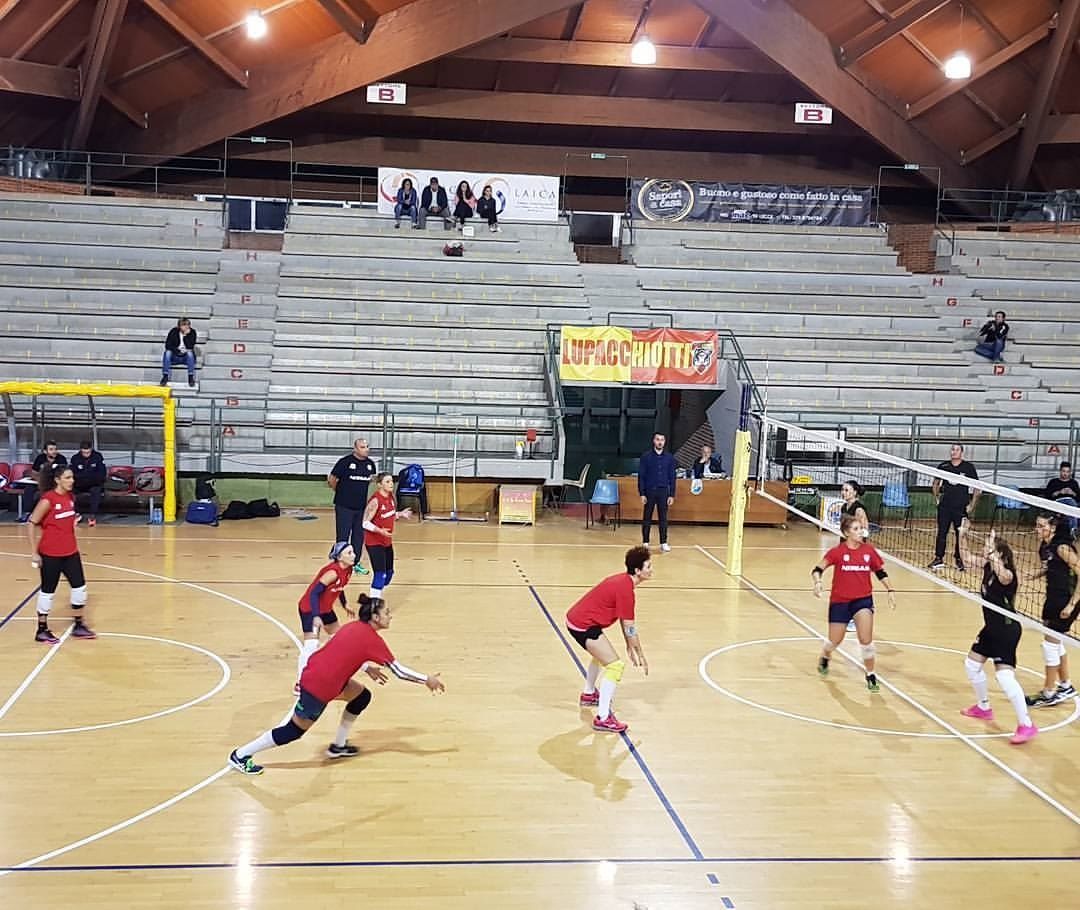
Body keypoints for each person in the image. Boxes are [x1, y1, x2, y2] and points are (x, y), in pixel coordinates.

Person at [228, 593, 445, 774]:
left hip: (323, 676)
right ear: (375, 617)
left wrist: (366, 667)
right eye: (386, 613)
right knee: (293, 731)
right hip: (319, 686)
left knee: (362, 697)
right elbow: (398, 671)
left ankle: (338, 746)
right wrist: (427, 679)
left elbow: (342, 650)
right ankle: (241, 755)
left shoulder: (353, 627)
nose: (390, 616)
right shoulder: (373, 640)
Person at [956, 521, 1036, 744]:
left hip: (1006, 630)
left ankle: (1026, 724)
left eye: (988, 547)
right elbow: (966, 558)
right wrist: (962, 535)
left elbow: (1004, 576)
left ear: (998, 553)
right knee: (971, 665)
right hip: (991, 628)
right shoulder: (988, 566)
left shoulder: (1008, 575)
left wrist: (992, 551)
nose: (984, 549)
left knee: (1004, 677)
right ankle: (983, 708)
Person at [565, 546, 651, 734]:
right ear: (638, 571)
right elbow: (630, 627)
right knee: (615, 666)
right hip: (582, 625)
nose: (651, 570)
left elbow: (624, 620)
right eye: (648, 567)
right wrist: (639, 653)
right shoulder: (625, 590)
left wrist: (629, 645)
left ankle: (589, 694)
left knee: (601, 656)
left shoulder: (623, 582)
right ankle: (603, 718)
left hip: (579, 620)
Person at [812, 514, 896, 692]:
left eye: (861, 528)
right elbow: (817, 569)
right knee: (835, 640)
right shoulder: (837, 552)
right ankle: (826, 654)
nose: (860, 532)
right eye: (856, 529)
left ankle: (870, 674)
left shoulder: (869, 551)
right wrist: (818, 582)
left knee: (866, 640)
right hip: (840, 602)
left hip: (862, 600)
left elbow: (880, 572)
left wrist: (890, 590)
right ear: (846, 533)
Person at [26, 464, 96, 644]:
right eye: (67, 478)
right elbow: (32, 523)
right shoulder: (47, 500)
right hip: (50, 553)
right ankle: (42, 629)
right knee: (48, 591)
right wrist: (34, 553)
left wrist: (72, 525)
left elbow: (64, 519)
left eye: (72, 477)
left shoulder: (71, 497)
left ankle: (79, 624)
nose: (72, 481)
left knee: (79, 588)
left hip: (70, 551)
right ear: (57, 480)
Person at [1025, 514, 1080, 708]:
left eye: (1042, 526)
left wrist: (1072, 604)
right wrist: (1036, 574)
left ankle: (1048, 693)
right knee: (1056, 642)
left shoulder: (1062, 547)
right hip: (1054, 597)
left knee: (1049, 645)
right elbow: (1051, 566)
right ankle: (1065, 686)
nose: (1037, 529)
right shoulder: (1045, 547)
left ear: (1053, 528)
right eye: (1036, 525)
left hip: (1067, 599)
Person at [295, 542, 359, 691]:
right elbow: (314, 593)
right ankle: (300, 683)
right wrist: (316, 616)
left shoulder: (348, 570)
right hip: (310, 609)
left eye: (353, 552)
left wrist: (345, 604)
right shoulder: (332, 572)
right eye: (349, 553)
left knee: (340, 639)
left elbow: (340, 587)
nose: (354, 555)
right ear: (339, 557)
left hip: (325, 609)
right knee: (311, 645)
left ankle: (333, 671)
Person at [327, 438, 377, 567]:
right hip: (344, 506)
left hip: (361, 507)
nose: (366, 449)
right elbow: (332, 479)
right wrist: (340, 492)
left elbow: (370, 481)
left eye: (367, 447)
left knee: (359, 536)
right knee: (343, 535)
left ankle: (355, 562)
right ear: (355, 449)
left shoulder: (370, 464)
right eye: (362, 447)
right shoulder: (345, 462)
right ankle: (339, 562)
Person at [929, 444, 979, 571]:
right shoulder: (944, 466)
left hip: (961, 508)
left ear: (962, 452)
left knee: (960, 534)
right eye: (952, 449)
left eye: (957, 450)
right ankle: (938, 558)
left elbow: (977, 488)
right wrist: (937, 499)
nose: (954, 452)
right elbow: (935, 483)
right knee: (942, 533)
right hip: (945, 507)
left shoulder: (968, 467)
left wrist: (972, 505)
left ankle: (959, 559)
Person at [363, 473, 412, 600]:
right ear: (380, 485)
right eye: (387, 482)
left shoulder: (391, 497)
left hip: (386, 541)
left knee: (389, 573)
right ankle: (374, 603)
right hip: (374, 542)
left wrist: (400, 514)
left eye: (391, 481)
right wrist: (379, 531)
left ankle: (377, 589)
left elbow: (388, 515)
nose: (391, 484)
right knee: (380, 574)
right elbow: (365, 523)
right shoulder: (375, 501)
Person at [638, 433, 676, 553]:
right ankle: (645, 542)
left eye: (662, 440)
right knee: (647, 517)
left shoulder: (669, 458)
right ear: (654, 441)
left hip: (663, 491)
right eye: (658, 439)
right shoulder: (646, 456)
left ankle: (663, 542)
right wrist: (642, 493)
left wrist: (672, 494)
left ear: (664, 442)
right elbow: (641, 476)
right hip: (649, 490)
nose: (660, 442)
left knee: (663, 518)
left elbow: (672, 477)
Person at [69, 440, 106, 528]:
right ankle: (76, 513)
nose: (86, 454)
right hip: (79, 484)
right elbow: (72, 473)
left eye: (88, 452)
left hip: (94, 484)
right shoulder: (75, 458)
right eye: (84, 452)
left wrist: (91, 479)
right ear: (81, 450)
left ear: (91, 449)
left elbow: (101, 474)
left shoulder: (97, 457)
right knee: (69, 490)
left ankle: (92, 515)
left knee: (96, 491)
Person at [1045, 461, 1080, 536]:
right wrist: (1059, 492)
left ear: (1070, 472)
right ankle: (1072, 528)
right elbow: (1047, 495)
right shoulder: (1053, 482)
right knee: (1070, 508)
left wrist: (1072, 493)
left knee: (1072, 506)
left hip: (1071, 502)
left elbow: (1078, 498)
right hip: (1058, 501)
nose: (1065, 474)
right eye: (1063, 471)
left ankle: (1073, 529)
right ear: (1060, 471)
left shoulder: (1074, 483)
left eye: (1067, 472)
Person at [161, 317, 197, 387]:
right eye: (184, 325)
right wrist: (177, 350)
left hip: (186, 357)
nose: (186, 327)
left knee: (190, 353)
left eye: (188, 325)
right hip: (175, 355)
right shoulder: (173, 331)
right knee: (167, 352)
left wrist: (185, 336)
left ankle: (190, 377)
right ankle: (165, 376)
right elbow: (167, 345)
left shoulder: (192, 332)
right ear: (179, 326)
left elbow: (190, 346)